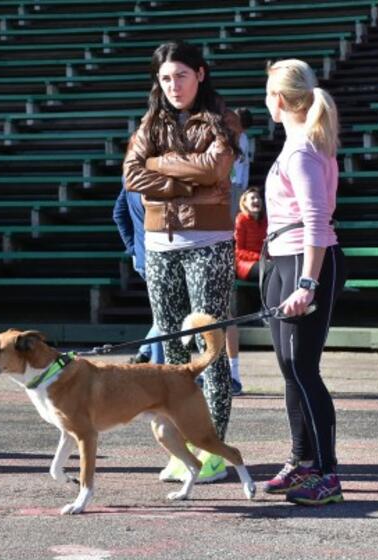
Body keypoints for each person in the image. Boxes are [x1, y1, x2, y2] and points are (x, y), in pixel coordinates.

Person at [123, 40, 239, 485]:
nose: (174, 85)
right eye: (166, 78)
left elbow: (215, 169)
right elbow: (132, 175)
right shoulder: (149, 122)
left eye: (182, 76)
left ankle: (214, 450)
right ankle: (183, 450)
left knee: (206, 350)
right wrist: (179, 183)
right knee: (171, 352)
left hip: (208, 241)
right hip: (159, 245)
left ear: (201, 75)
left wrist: (161, 166)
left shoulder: (225, 119)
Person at [260, 59, 346, 506]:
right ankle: (303, 461)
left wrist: (307, 283)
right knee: (290, 369)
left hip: (305, 262)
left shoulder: (302, 151)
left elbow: (316, 222)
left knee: (304, 369)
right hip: (283, 260)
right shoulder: (297, 144)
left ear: (278, 98)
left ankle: (328, 475)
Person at [112, 182, 164, 365]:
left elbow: (118, 214)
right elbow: (118, 214)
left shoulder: (131, 175)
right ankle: (159, 368)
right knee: (165, 315)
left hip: (145, 256)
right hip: (155, 256)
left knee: (163, 314)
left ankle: (145, 351)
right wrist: (133, 247)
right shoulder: (141, 176)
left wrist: (134, 248)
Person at [224, 187, 268, 396]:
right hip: (243, 263)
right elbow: (237, 250)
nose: (256, 200)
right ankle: (266, 308)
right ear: (243, 202)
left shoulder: (264, 221)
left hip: (262, 260)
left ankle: (269, 308)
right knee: (269, 269)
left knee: (276, 268)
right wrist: (260, 258)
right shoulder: (241, 220)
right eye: (251, 198)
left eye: (258, 197)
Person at [229, 107, 253, 218]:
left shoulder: (244, 139)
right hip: (224, 185)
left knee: (237, 219)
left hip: (238, 185)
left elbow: (245, 164)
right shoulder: (223, 137)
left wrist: (244, 185)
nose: (241, 131)